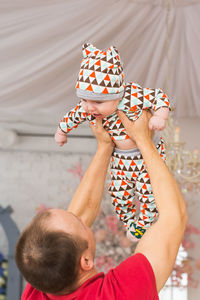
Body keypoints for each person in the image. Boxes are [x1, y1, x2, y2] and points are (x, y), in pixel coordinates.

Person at [15, 111, 187, 299]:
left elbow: (75, 224)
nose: (79, 217)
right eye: (79, 223)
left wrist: (105, 146)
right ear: (86, 261)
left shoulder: (39, 282)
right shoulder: (121, 293)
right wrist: (143, 141)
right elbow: (173, 217)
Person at [54, 43, 171, 240]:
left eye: (97, 102)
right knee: (119, 195)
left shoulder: (132, 95)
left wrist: (159, 116)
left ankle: (143, 223)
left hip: (146, 158)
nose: (89, 107)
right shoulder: (88, 106)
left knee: (149, 194)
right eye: (84, 100)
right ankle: (129, 223)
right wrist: (62, 131)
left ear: (116, 97)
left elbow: (160, 97)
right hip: (119, 161)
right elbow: (72, 116)